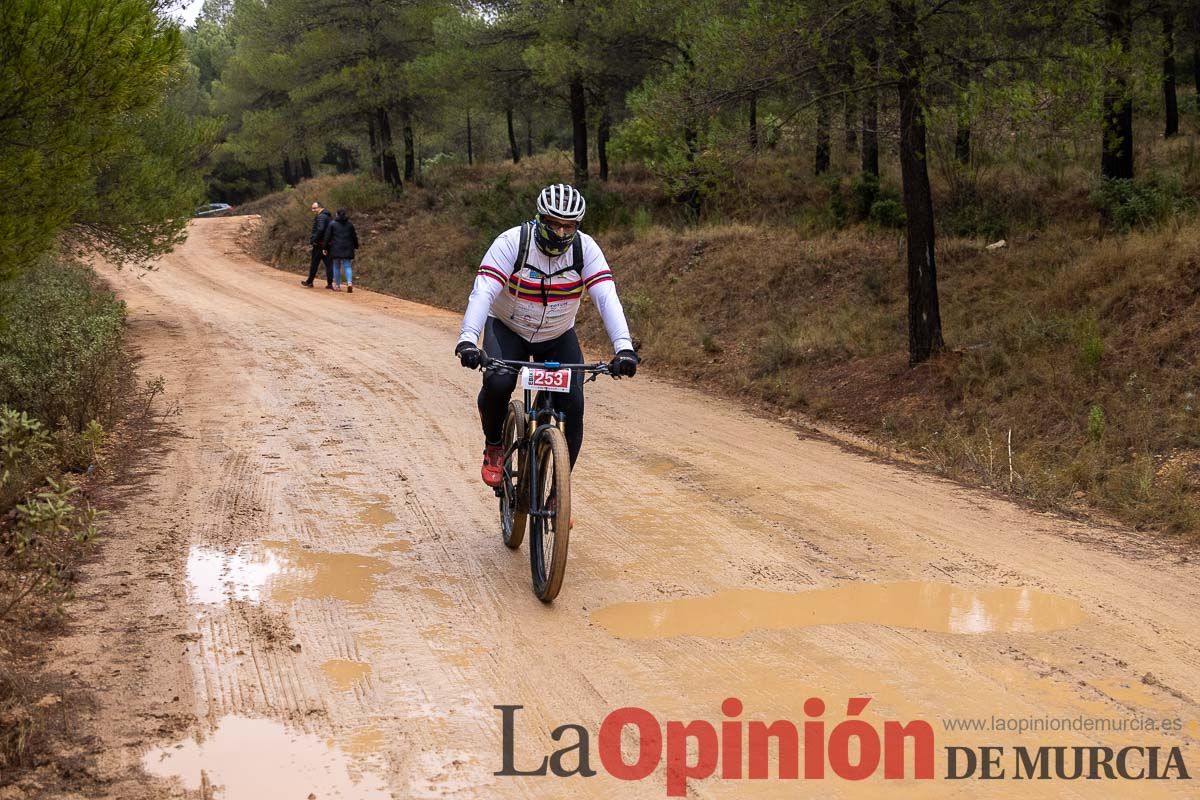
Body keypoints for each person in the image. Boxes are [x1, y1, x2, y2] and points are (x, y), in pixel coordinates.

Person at [454, 183, 639, 488]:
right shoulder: (512, 243)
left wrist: (624, 349)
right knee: (499, 381)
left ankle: (557, 494)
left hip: (557, 333)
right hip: (508, 327)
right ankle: (494, 445)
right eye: (554, 225)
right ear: (539, 219)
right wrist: (468, 340)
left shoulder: (585, 249)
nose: (561, 234)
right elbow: (483, 290)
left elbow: (607, 297)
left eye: (569, 226)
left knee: (574, 407)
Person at [323, 208, 359, 292]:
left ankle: (338, 286)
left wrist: (324, 247)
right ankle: (349, 283)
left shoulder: (332, 224)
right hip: (348, 247)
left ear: (337, 214)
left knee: (336, 266)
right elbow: (354, 236)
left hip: (336, 248)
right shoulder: (350, 224)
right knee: (347, 266)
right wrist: (356, 245)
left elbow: (327, 237)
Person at [302, 201, 334, 288]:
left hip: (319, 244)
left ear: (320, 207)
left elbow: (320, 229)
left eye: (315, 208)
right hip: (327, 244)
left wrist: (314, 239)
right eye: (312, 208)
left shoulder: (321, 217)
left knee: (314, 263)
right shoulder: (328, 216)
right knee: (329, 264)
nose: (313, 210)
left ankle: (310, 281)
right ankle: (330, 284)